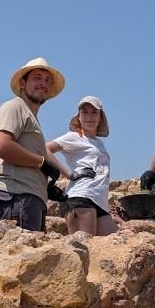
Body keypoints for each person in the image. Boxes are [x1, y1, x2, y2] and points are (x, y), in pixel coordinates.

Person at [0, 57, 69, 232]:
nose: (43, 83)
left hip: (28, 199)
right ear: (23, 83)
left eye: (47, 80)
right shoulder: (14, 107)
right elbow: (2, 146)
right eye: (37, 78)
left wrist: (46, 188)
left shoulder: (30, 116)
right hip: (17, 197)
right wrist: (41, 162)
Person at [47, 96, 118, 236]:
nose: (89, 116)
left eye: (94, 112)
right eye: (85, 112)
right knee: (83, 246)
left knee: (113, 243)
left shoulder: (98, 142)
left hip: (99, 203)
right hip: (80, 197)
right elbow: (45, 149)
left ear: (100, 118)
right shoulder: (73, 137)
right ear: (79, 117)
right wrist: (68, 174)